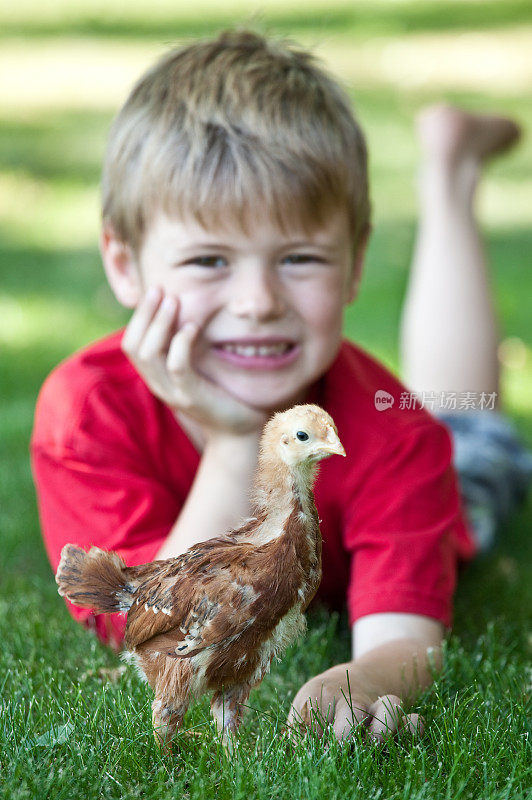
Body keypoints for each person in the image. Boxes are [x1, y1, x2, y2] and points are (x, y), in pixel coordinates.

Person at [30, 30, 532, 744]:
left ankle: (450, 174)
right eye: (209, 259)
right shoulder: (87, 411)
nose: (259, 301)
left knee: (470, 432)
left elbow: (405, 638)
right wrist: (240, 440)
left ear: (356, 264)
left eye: (299, 257)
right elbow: (152, 625)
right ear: (124, 262)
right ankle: (448, 162)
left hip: (431, 450)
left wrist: (350, 683)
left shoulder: (401, 443)